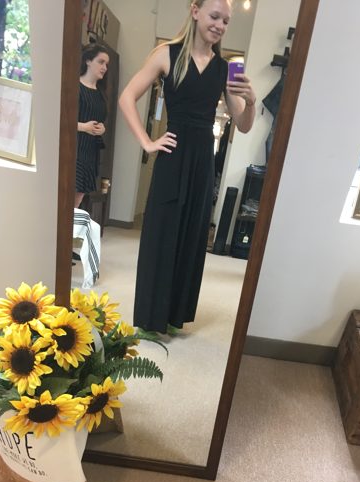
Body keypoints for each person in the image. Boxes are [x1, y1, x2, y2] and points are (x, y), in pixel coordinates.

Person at [119, 0, 256, 334]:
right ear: (195, 11)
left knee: (191, 236)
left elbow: (244, 124)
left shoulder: (226, 69)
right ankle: (151, 317)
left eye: (226, 21)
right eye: (214, 16)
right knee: (161, 232)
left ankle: (173, 315)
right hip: (173, 156)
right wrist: (147, 142)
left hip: (202, 162)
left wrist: (251, 101)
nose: (220, 25)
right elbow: (127, 98)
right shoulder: (167, 54)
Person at [75, 43, 109, 209]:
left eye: (106, 64)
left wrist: (102, 129)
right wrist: (84, 127)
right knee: (68, 199)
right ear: (88, 61)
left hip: (90, 152)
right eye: (101, 62)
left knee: (78, 200)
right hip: (74, 149)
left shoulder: (101, 93)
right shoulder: (75, 87)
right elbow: (61, 120)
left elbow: (100, 120)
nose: (104, 68)